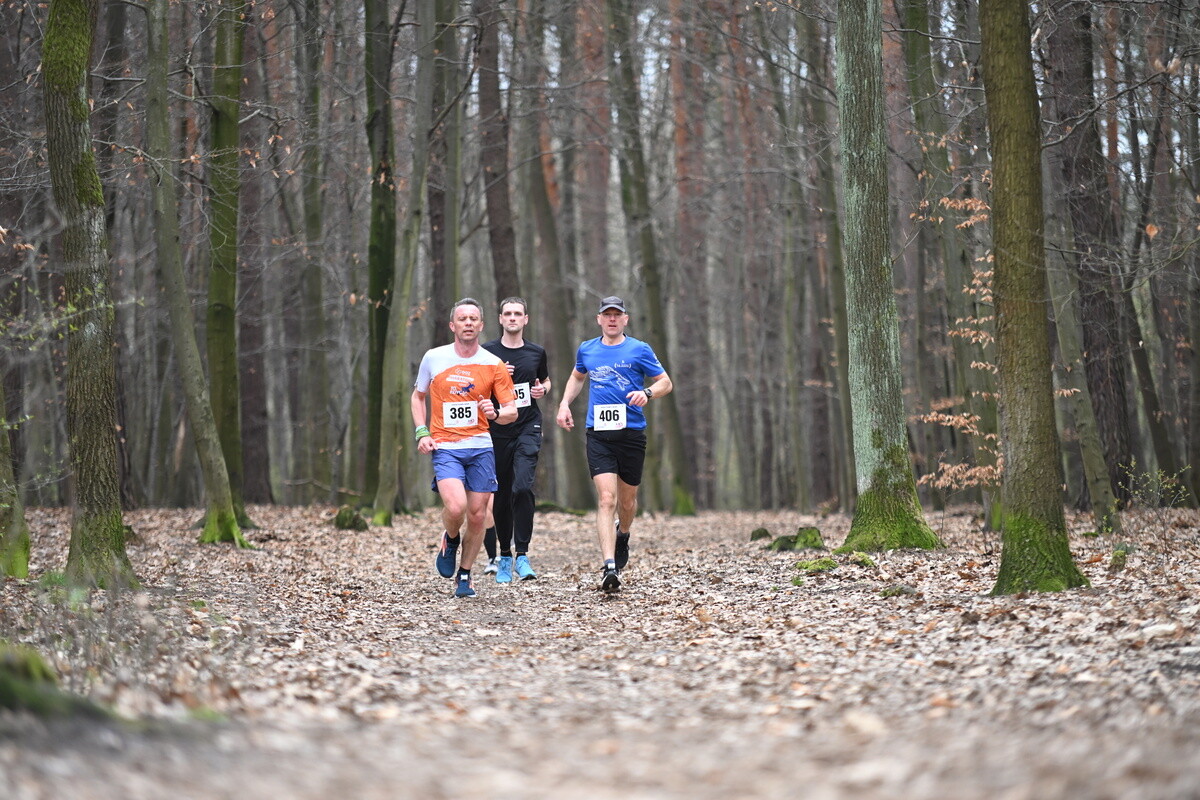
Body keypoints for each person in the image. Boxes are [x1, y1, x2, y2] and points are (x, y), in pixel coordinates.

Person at [555, 295, 672, 593]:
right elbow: (577, 377)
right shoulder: (587, 349)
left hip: (632, 433)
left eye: (616, 315)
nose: (611, 319)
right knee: (606, 499)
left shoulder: (639, 349)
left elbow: (665, 382)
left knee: (627, 501)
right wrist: (565, 404)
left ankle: (624, 533)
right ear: (598, 319)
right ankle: (610, 566)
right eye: (606, 315)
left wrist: (647, 394)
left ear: (625, 320)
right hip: (599, 433)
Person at [412, 298, 517, 598]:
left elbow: (512, 411)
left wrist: (494, 412)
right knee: (456, 507)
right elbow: (417, 397)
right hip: (445, 445)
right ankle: (451, 537)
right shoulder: (434, 358)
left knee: (478, 515)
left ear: (482, 325)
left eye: (474, 318)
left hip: (481, 446)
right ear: (452, 325)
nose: (468, 323)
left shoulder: (493, 364)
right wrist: (422, 432)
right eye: (463, 319)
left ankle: (466, 574)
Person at [479, 297, 551, 584]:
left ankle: (523, 554)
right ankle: (504, 555)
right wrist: (496, 376)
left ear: (525, 319)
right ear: (500, 319)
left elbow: (545, 380)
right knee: (502, 492)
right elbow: (476, 390)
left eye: (517, 313)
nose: (512, 318)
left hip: (527, 425)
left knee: (522, 486)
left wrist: (542, 391)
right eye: (507, 313)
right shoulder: (487, 353)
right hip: (497, 429)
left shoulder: (536, 352)